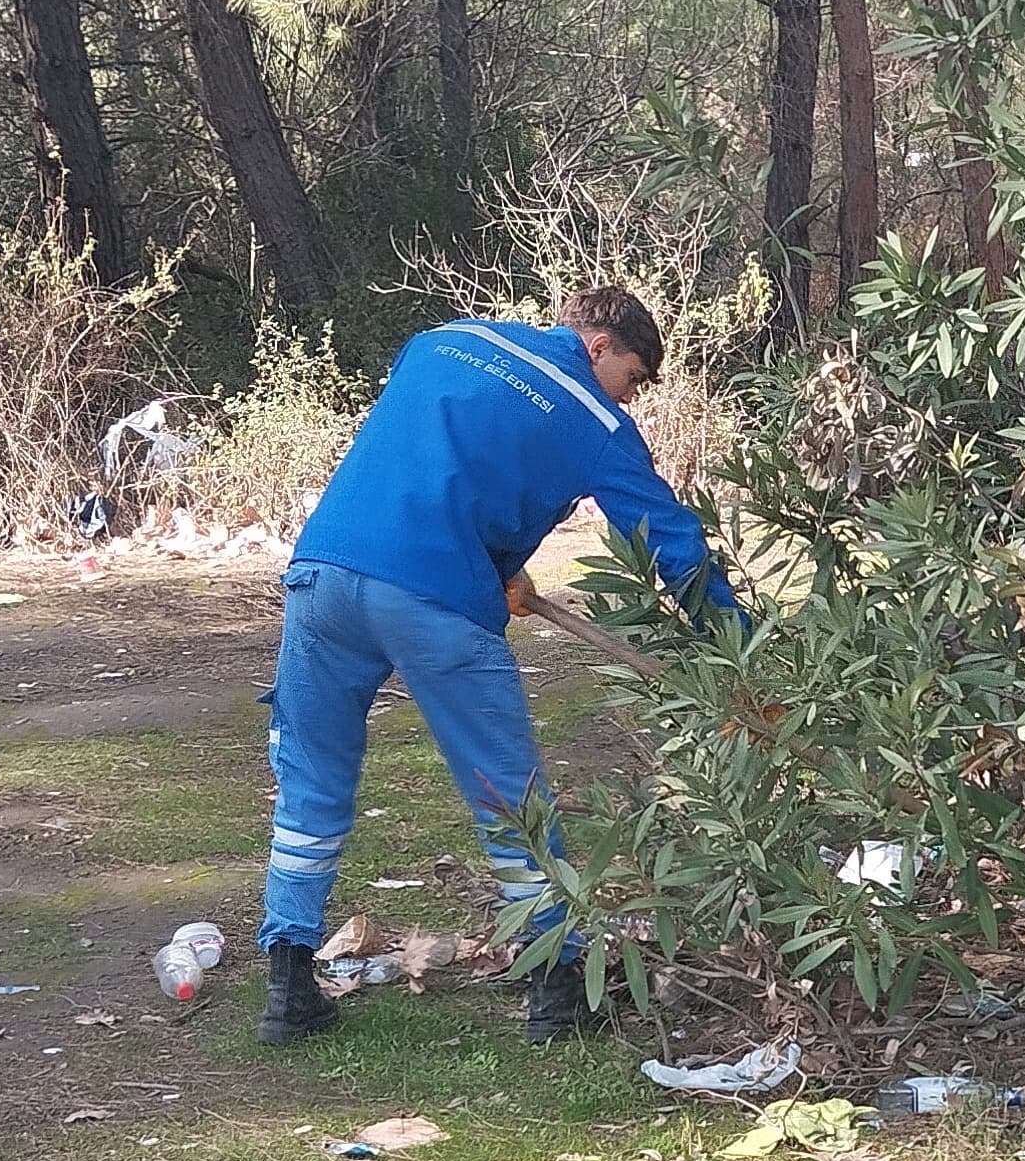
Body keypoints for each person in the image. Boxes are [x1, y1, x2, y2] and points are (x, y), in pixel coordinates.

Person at [254, 284, 740, 1046]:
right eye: (637, 378)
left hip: (323, 573)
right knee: (509, 796)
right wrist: (733, 643)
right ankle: (556, 992)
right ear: (599, 346)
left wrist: (499, 560)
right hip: (436, 597)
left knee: (311, 779)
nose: (633, 397)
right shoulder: (598, 420)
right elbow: (671, 542)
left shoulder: (441, 339)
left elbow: (430, 458)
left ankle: (287, 986)